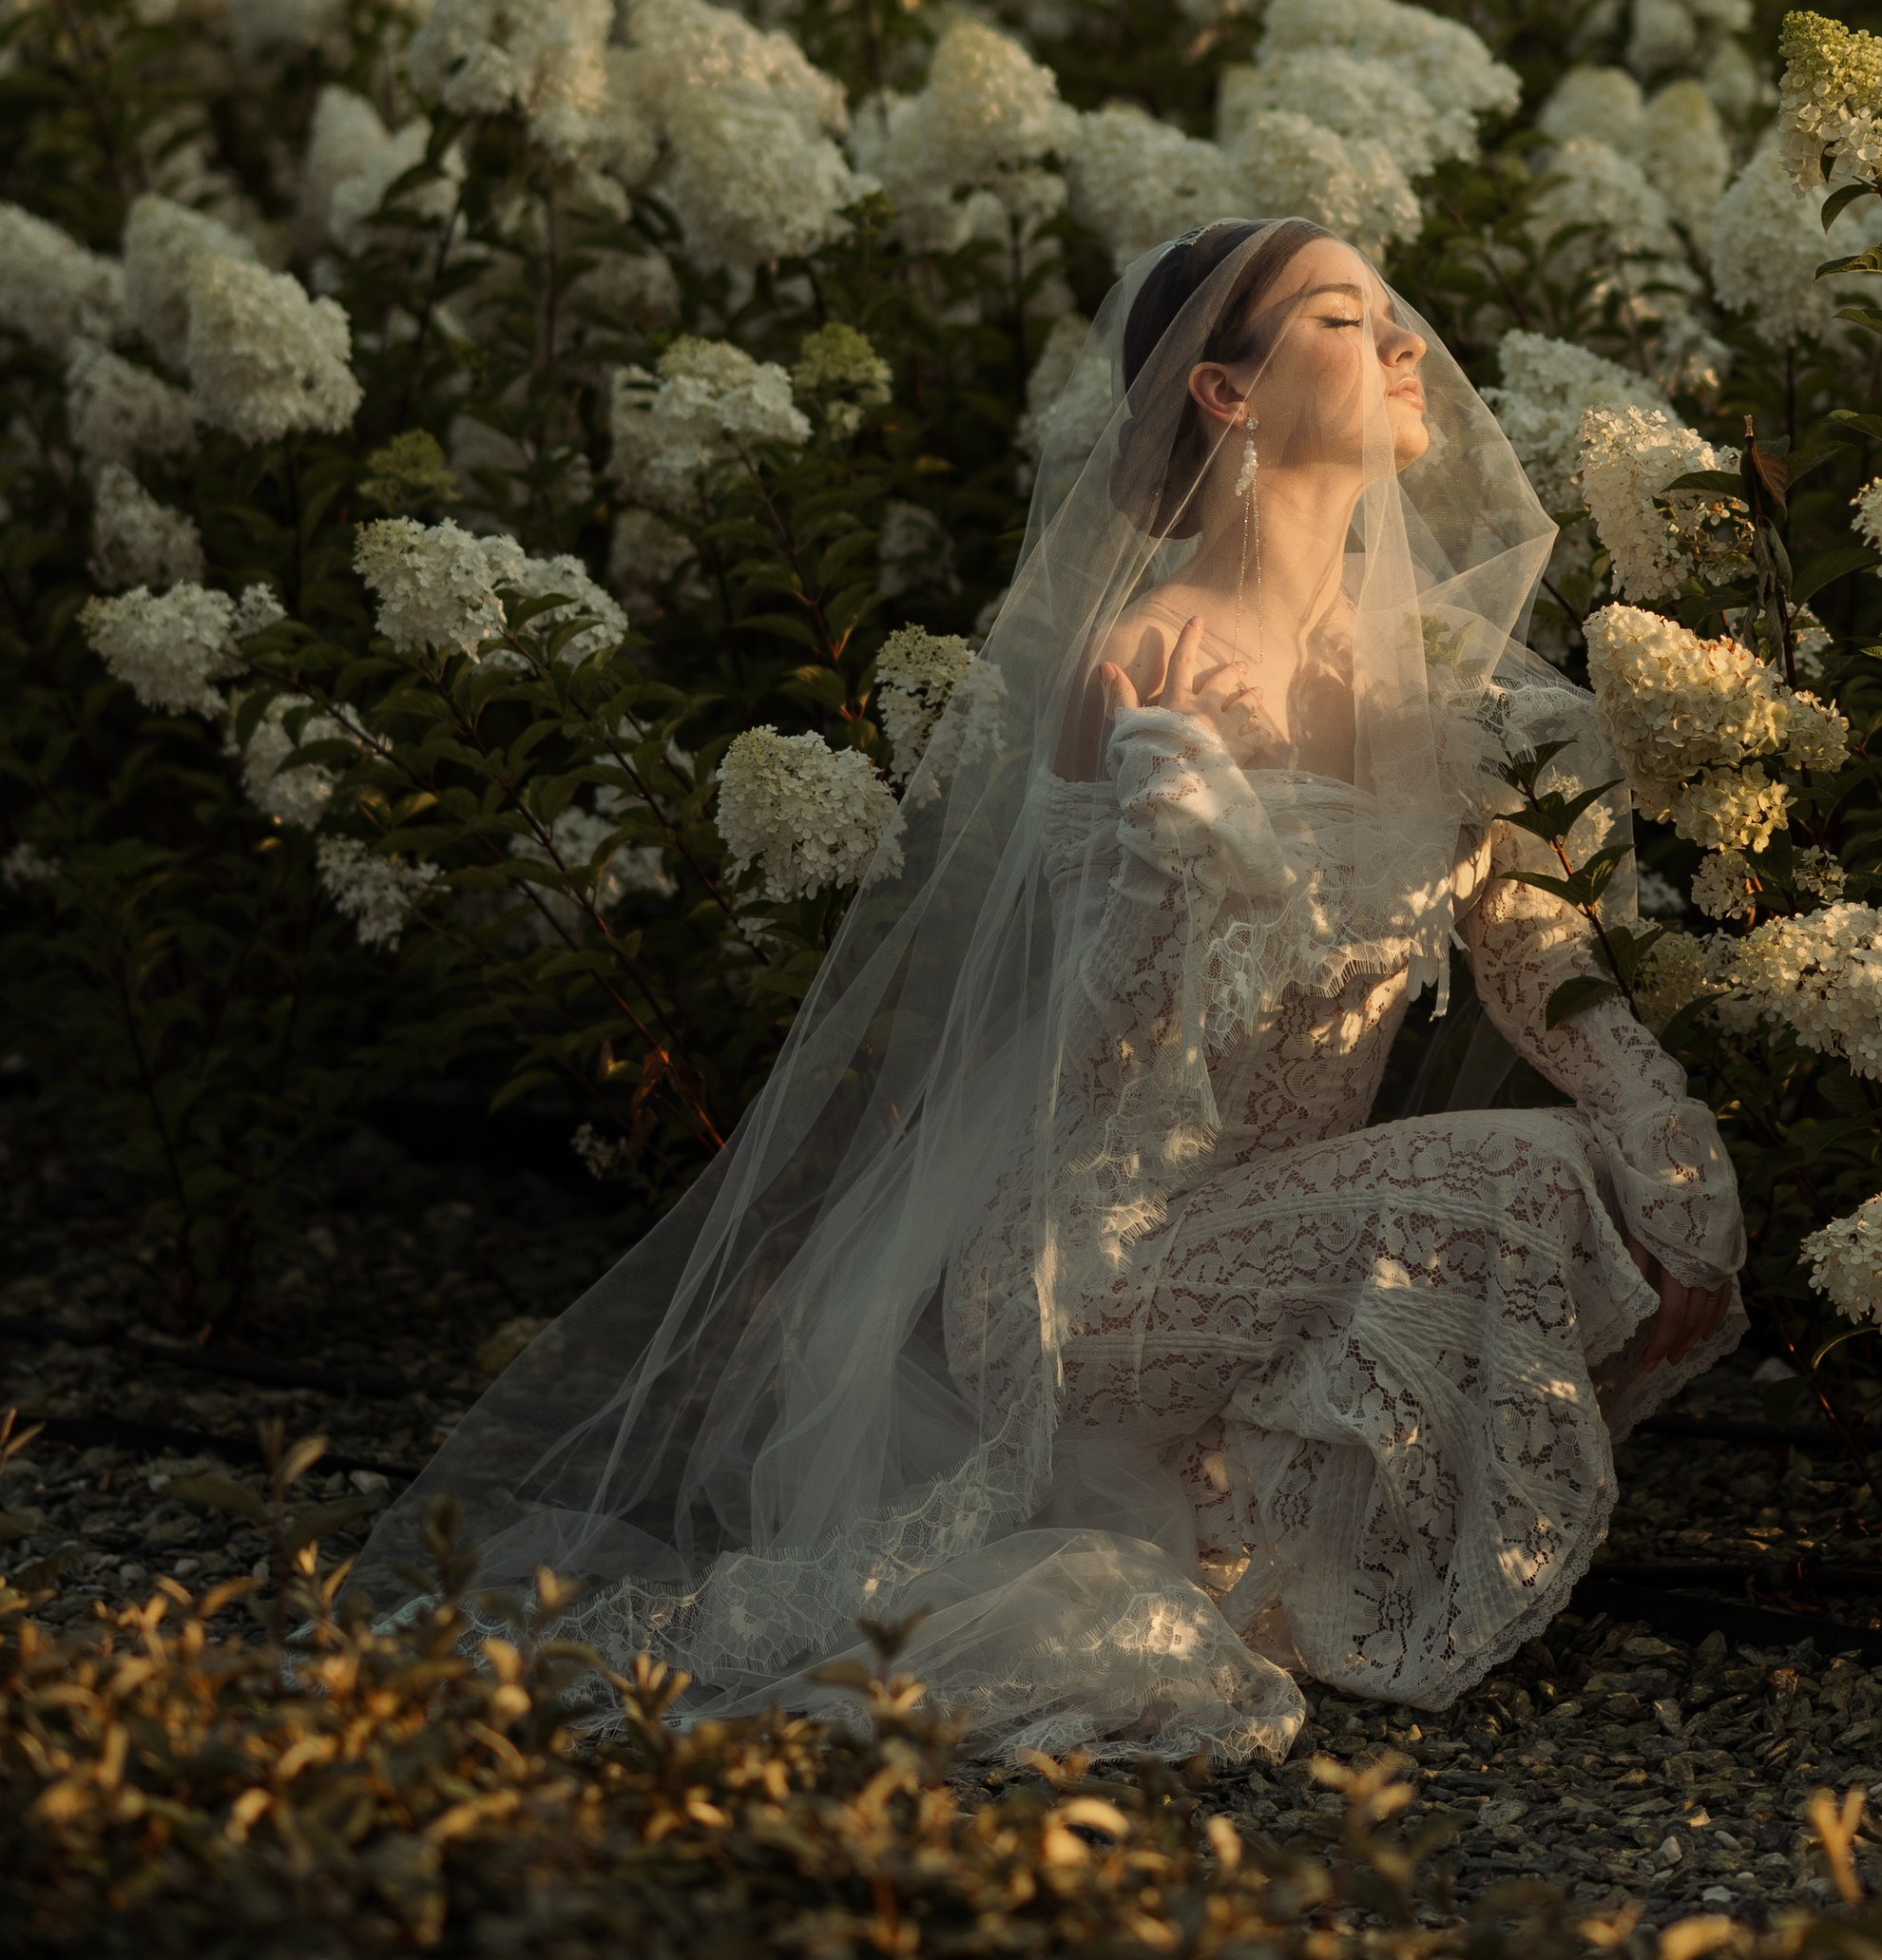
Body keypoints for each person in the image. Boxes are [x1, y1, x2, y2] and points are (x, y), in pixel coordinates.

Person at [356, 220, 1743, 1763]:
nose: (1407, 344)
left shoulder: (1437, 673)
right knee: (1522, 1178)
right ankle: (1285, 1553)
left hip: (1281, 1228)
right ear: (1224, 391)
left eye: (1390, 313)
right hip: (1090, 1264)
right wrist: (1178, 851)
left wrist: (1677, 1153)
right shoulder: (1149, 657)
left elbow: (1535, 951)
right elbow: (1115, 1074)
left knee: (1617, 1179)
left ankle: (1282, 1536)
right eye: (1347, 319)